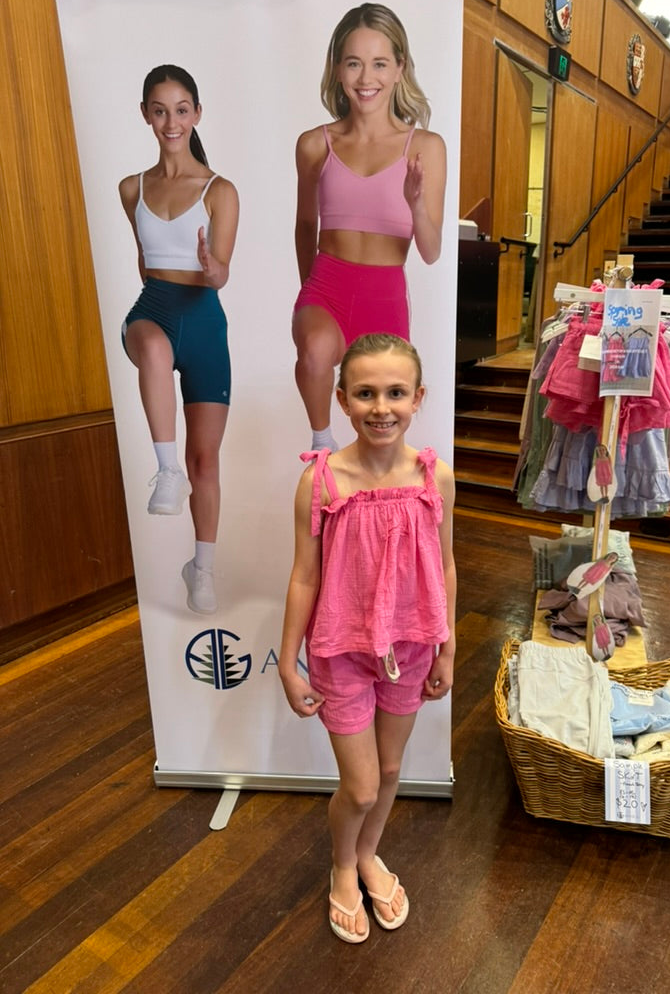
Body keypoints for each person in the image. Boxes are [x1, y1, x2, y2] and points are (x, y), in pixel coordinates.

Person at [278, 333, 456, 944]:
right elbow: (304, 575)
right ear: (343, 400)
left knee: (389, 766)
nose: (382, 406)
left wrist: (447, 647)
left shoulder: (436, 477)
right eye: (366, 393)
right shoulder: (322, 482)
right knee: (358, 785)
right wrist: (288, 663)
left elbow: (447, 565)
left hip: (409, 649)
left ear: (418, 398)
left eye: (396, 393)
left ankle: (370, 854)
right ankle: (343, 863)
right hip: (341, 651)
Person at [293, 2, 447, 452]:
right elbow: (305, 225)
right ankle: (321, 446)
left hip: (385, 294)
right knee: (317, 350)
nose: (366, 78)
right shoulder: (314, 145)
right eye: (354, 63)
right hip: (328, 284)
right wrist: (309, 292)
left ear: (399, 68)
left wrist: (415, 204)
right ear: (338, 69)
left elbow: (432, 250)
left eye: (379, 63)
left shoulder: (425, 147)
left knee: (383, 425)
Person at [119, 65, 239, 614]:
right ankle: (165, 472)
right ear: (147, 114)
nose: (172, 121)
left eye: (182, 109)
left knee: (206, 462)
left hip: (205, 318)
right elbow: (146, 266)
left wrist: (211, 266)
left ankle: (202, 570)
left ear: (196, 113)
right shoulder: (131, 188)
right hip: (154, 312)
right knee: (154, 347)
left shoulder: (220, 190)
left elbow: (221, 275)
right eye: (160, 110)